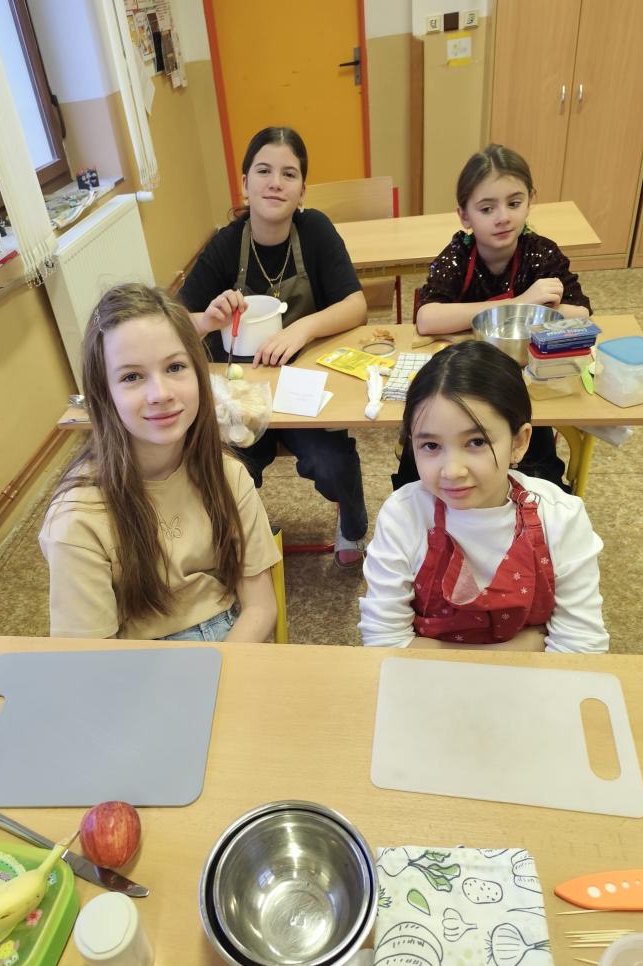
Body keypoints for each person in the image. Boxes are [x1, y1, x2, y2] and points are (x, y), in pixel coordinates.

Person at [40, 283, 279, 643]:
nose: (160, 394)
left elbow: (260, 608)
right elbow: (92, 661)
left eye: (175, 367)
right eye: (132, 376)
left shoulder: (228, 475)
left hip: (232, 642)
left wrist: (219, 668)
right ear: (104, 394)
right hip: (137, 663)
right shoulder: (77, 520)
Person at [179, 126, 369, 568]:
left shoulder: (315, 230)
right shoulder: (227, 244)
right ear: (245, 183)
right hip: (242, 395)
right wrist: (208, 319)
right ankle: (246, 538)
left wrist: (302, 329)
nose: (275, 183)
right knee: (226, 469)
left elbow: (356, 305)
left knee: (331, 461)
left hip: (304, 389)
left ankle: (353, 525)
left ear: (303, 190)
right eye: (263, 171)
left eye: (289, 173)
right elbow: (175, 322)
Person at [358, 342, 609, 653]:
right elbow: (384, 644)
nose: (452, 471)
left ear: (519, 442)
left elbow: (581, 649)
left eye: (476, 442)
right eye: (431, 446)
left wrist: (430, 650)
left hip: (521, 683)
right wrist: (525, 646)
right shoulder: (402, 516)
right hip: (432, 683)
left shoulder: (560, 517)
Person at [410, 143, 592, 490]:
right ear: (465, 215)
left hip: (523, 383)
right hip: (463, 379)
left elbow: (580, 312)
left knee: (536, 476)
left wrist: (535, 307)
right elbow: (428, 318)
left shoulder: (541, 253)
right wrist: (520, 302)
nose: (503, 217)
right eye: (486, 208)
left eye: (514, 203)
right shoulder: (458, 255)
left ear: (530, 200)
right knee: (424, 472)